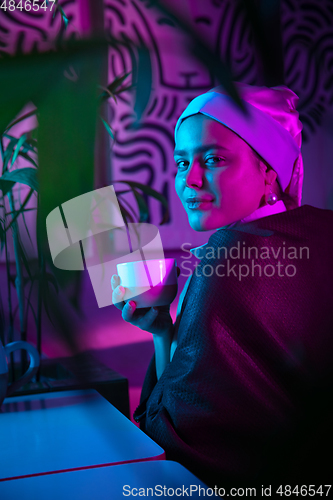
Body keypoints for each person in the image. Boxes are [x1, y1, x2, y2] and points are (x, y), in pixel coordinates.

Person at [111, 83, 333, 490]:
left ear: (268, 171)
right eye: (181, 163)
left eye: (212, 159)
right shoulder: (320, 232)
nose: (189, 180)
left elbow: (174, 442)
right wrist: (165, 331)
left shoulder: (228, 251)